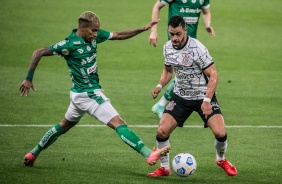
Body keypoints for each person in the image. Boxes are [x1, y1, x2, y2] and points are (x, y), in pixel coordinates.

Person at [20, 11, 170, 168]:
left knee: (63, 126)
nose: (96, 34)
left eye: (97, 30)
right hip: (88, 94)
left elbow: (118, 35)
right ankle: (148, 154)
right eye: (93, 30)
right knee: (119, 123)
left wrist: (142, 28)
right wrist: (28, 78)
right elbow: (39, 52)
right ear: (83, 28)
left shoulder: (93, 36)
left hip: (78, 95)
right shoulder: (69, 44)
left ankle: (32, 154)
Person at [147, 15, 237, 177]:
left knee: (220, 133)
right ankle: (165, 168)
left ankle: (221, 159)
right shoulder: (167, 47)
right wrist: (160, 85)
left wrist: (207, 100)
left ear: (185, 31)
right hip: (181, 97)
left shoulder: (197, 48)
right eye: (171, 34)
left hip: (203, 96)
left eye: (178, 34)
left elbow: (213, 75)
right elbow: (168, 70)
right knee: (162, 131)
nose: (174, 38)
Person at [150, 0, 216, 118]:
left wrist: (207, 25)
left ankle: (161, 104)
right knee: (186, 74)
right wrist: (153, 31)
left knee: (188, 74)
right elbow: (157, 6)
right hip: (177, 42)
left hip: (191, 42)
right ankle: (162, 104)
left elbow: (206, 12)